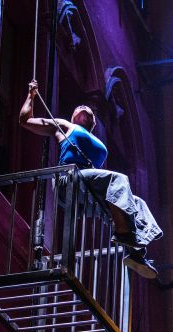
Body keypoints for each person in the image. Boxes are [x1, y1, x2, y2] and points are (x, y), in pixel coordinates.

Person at [19, 80, 162, 279]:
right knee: (119, 180)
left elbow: (107, 185)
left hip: (86, 186)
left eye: (88, 109)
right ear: (73, 116)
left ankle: (136, 253)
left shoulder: (96, 142)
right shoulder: (65, 126)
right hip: (69, 179)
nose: (84, 107)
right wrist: (31, 95)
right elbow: (25, 120)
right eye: (79, 107)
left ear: (93, 122)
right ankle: (124, 235)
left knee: (137, 202)